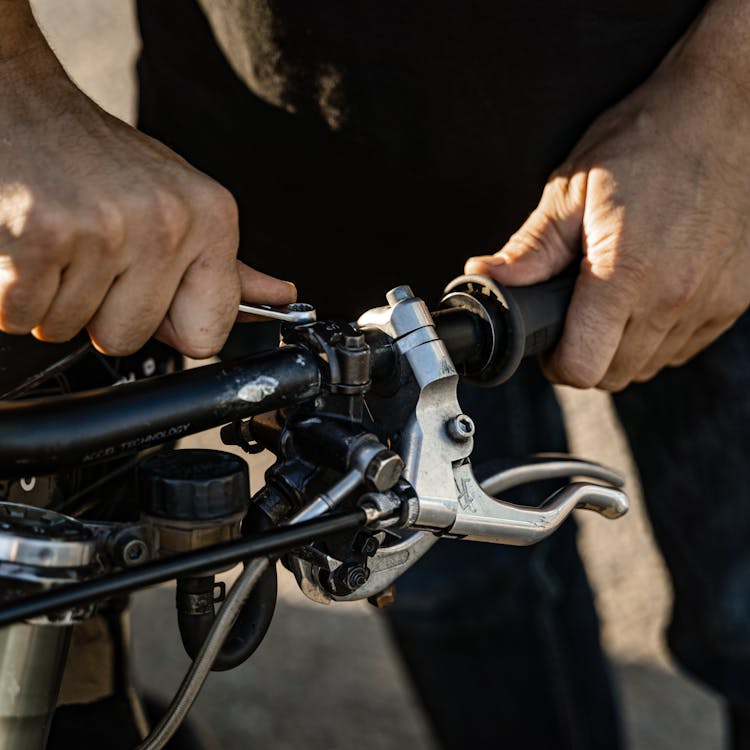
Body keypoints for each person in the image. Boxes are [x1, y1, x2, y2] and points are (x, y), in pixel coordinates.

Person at [2, 0, 750, 747]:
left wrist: (732, 98)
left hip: (701, 169)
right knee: (455, 596)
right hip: (274, 198)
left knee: (741, 606)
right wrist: (16, 93)